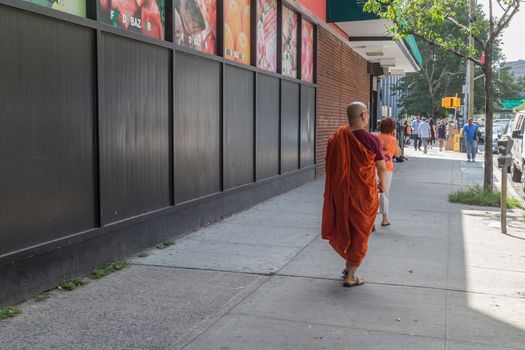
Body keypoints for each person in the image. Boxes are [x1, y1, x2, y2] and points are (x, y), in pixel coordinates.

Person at [322, 102, 387, 288]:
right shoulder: (372, 140)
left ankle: (348, 265)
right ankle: (351, 275)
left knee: (348, 228)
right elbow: (381, 167)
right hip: (363, 195)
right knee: (360, 232)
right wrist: (382, 183)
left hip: (342, 194)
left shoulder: (336, 138)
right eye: (366, 113)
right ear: (363, 116)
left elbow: (330, 167)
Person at [377, 118, 402, 227]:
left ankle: (371, 220)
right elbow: (398, 154)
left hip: (373, 167)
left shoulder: (375, 137)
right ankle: (385, 218)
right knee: (384, 192)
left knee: (373, 192)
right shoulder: (393, 140)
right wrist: (395, 137)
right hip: (387, 168)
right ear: (392, 128)